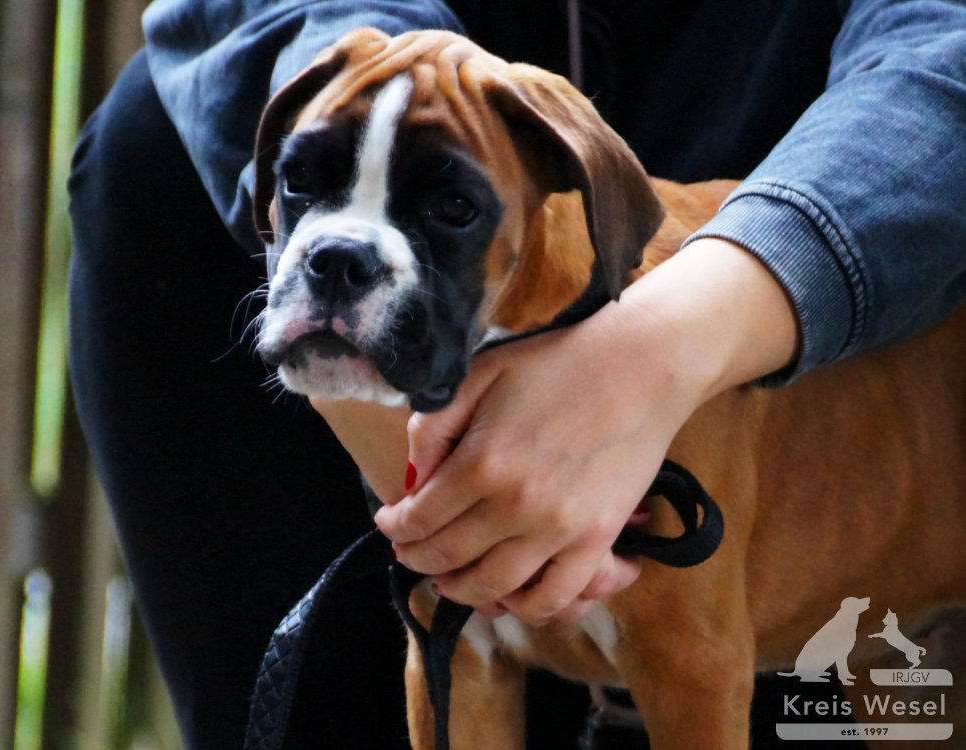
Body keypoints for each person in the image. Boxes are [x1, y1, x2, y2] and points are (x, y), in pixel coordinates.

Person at [67, 1, 966, 747]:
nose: (339, 245)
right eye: (306, 181)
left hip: (823, 342)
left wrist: (660, 347)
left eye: (450, 204)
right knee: (144, 132)